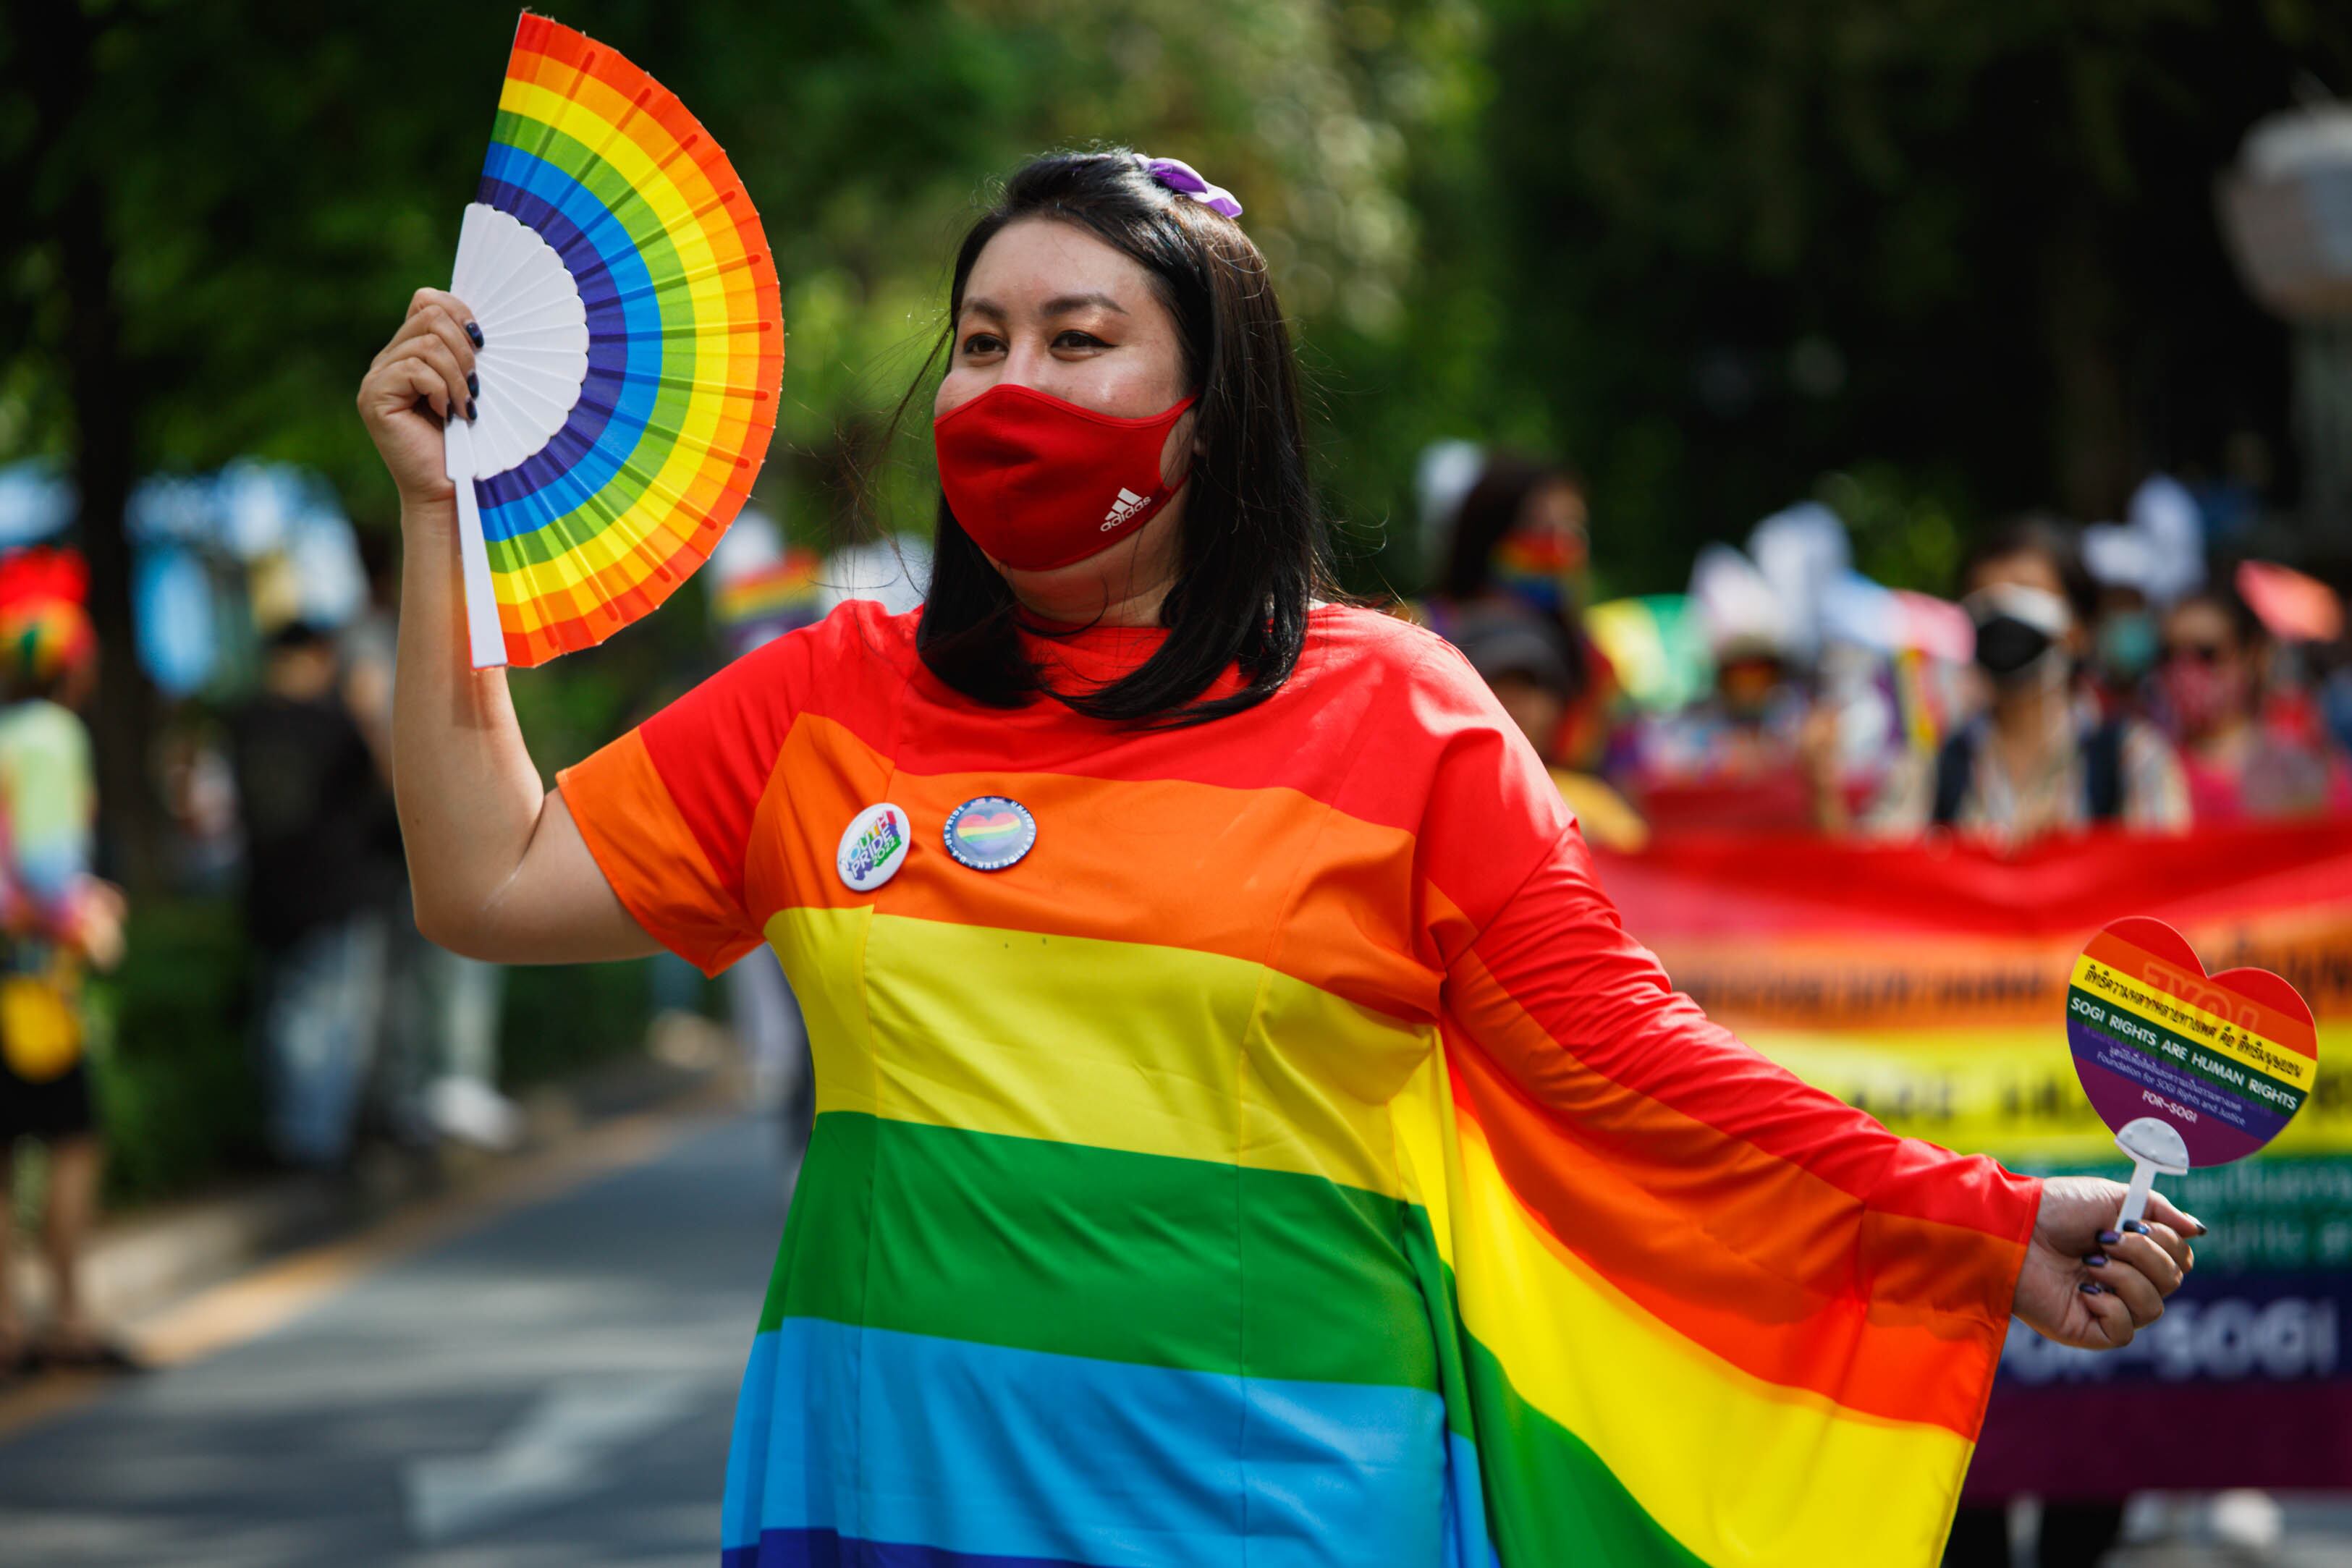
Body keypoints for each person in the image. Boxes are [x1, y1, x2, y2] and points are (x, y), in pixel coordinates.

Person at [361, 150, 2194, 1565]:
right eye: (983, 340)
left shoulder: (1405, 714)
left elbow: (1637, 1066)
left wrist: (1979, 1214)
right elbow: (490, 880)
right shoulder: (826, 696)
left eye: (1082, 340)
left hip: (1279, 1503)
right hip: (890, 1479)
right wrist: (435, 512)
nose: (1012, 383)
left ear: (1213, 410)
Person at [0, 548, 132, 1377]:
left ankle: (8, 1325)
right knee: (74, 1141)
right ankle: (68, 1318)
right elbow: (48, 870)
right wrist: (93, 913)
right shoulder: (52, 736)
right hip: (32, 977)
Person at [1864, 517, 2189, 847]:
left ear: (2077, 630)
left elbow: (2165, 882)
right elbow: (1871, 877)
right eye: (1985, 598)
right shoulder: (1931, 771)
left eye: (2024, 593)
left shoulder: (2133, 762)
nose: (2002, 613)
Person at [226, 620, 405, 1169]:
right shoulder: (336, 723)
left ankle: (292, 1134)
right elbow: (391, 790)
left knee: (284, 1017)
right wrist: (372, 713)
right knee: (336, 1023)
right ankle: (318, 1145)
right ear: (317, 656)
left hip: (272, 897)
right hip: (339, 892)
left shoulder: (244, 722)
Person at [2155, 582, 2352, 824]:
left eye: (2207, 653)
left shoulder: (2312, 772)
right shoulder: (2149, 773)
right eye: (2170, 654)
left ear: (2251, 655)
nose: (2185, 670)